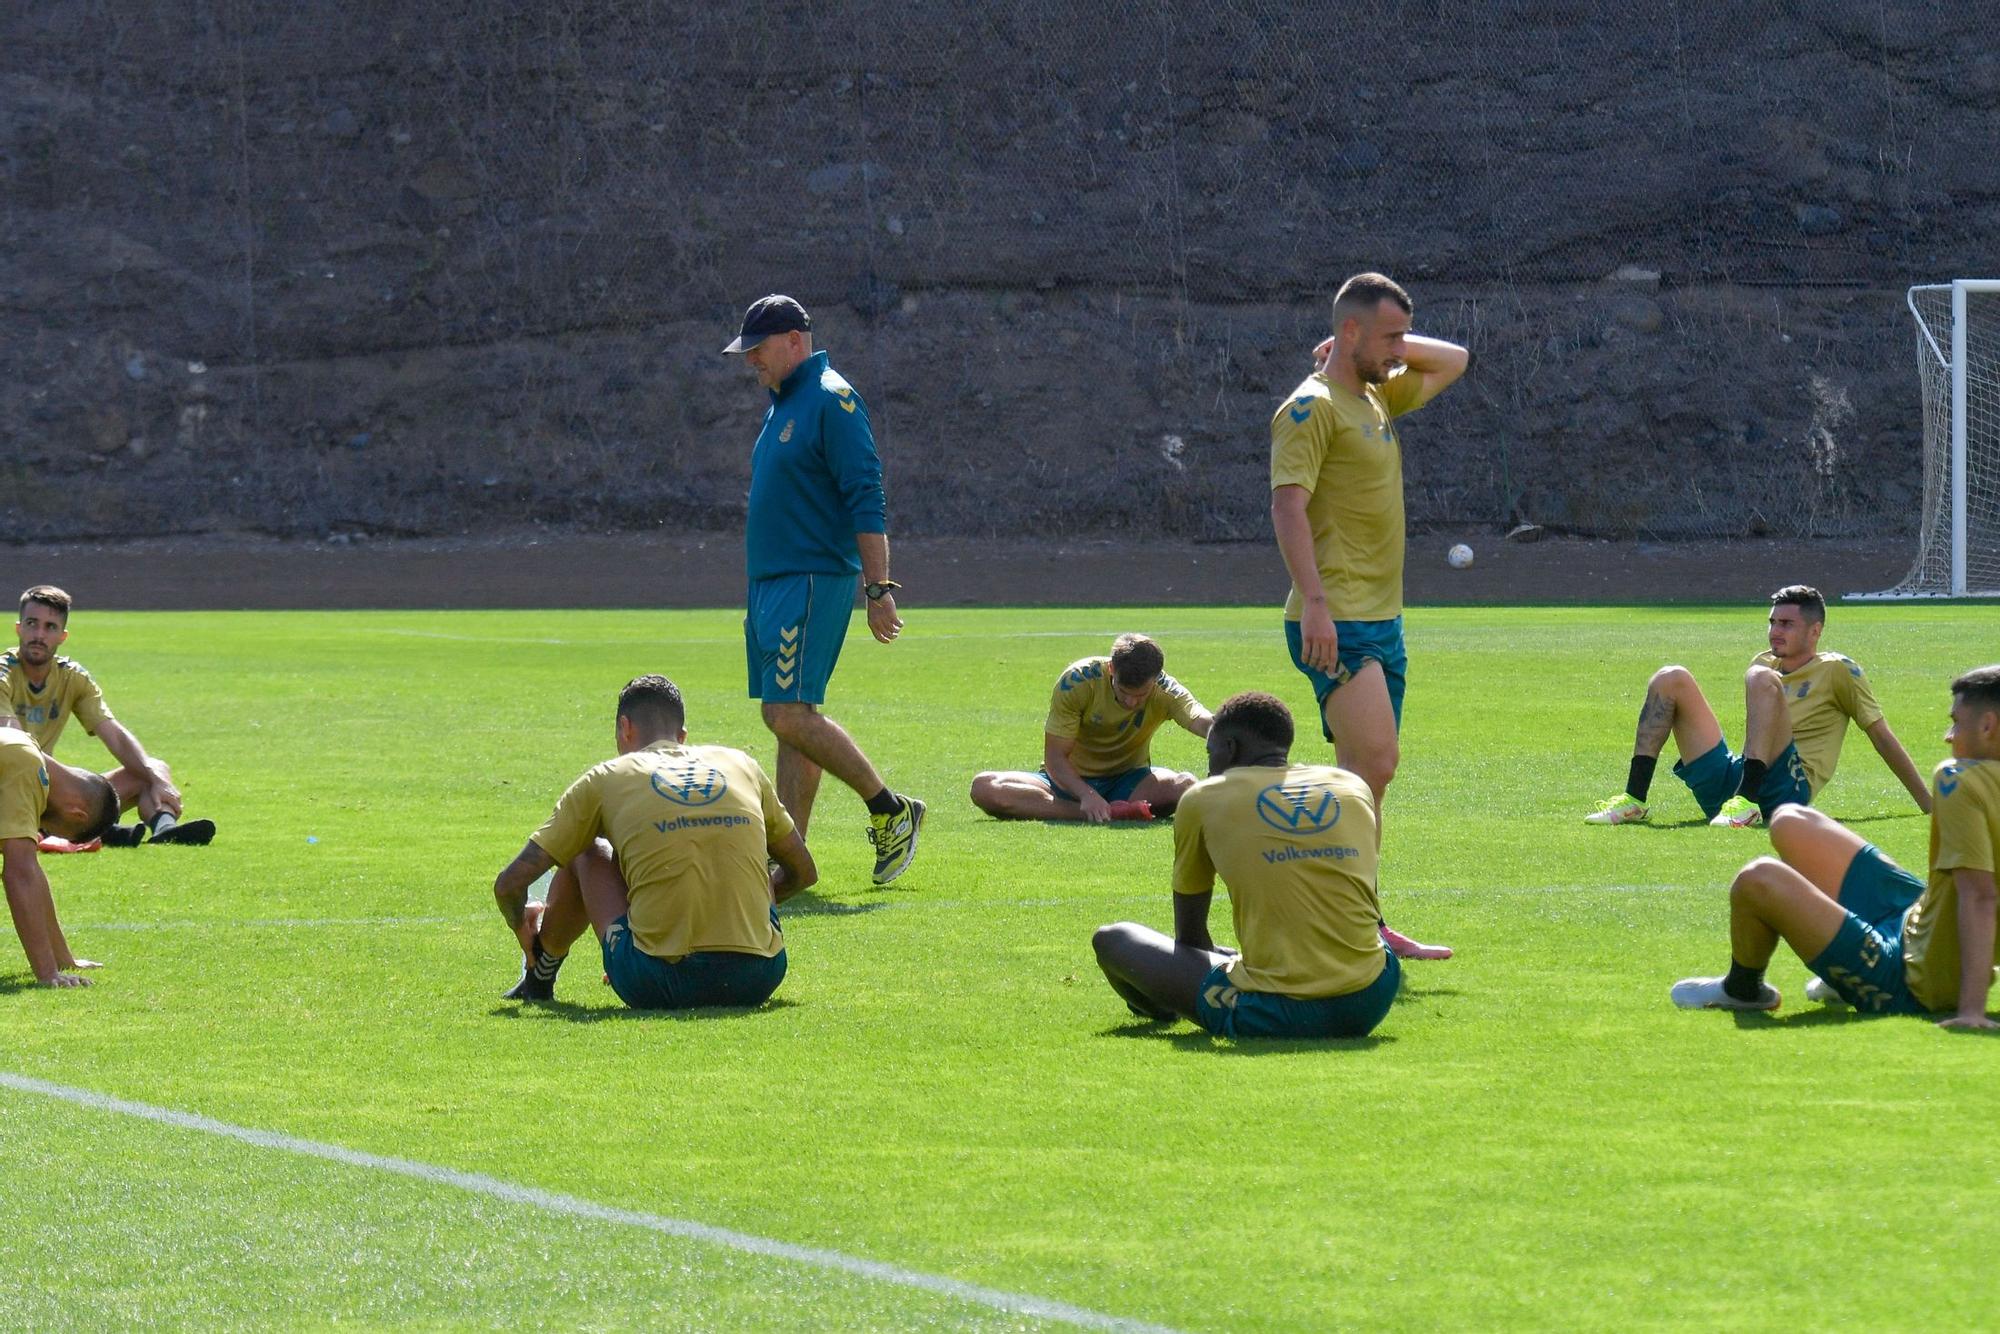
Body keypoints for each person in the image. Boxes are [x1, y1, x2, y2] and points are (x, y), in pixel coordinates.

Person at [1269, 271, 1468, 960]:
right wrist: (1317, 604)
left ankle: (1356, 922)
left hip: (1382, 618)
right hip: (1336, 616)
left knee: (1368, 776)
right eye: (1388, 337)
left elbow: (1455, 361)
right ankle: (1344, 921)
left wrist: (1382, 349)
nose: (1401, 350)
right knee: (1373, 762)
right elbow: (1287, 505)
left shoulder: (1376, 395)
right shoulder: (1311, 406)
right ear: (1350, 331)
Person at [1670, 664, 2000, 1028]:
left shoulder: (1959, 779)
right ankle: (1841, 963)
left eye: (1956, 722)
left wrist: (1971, 1010)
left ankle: (1742, 989)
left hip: (1907, 976)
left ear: (1987, 726)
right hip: (1914, 915)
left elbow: (1980, 895)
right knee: (1789, 820)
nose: (1948, 736)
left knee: (1757, 878)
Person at [723, 294, 923, 886]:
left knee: (784, 713)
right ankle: (794, 857)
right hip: (773, 583)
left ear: (793, 340)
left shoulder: (832, 398)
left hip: (811, 579)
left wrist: (879, 586)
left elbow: (867, 492)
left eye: (757, 350)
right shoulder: (783, 403)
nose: (750, 362)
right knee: (794, 714)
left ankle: (891, 810)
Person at [490, 674, 816, 1010]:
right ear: (682, 737)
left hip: (655, 978)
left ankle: (539, 976)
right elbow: (803, 872)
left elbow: (509, 885)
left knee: (586, 851)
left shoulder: (607, 777)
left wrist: (521, 929)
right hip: (759, 976)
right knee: (724, 847)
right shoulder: (740, 764)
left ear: (624, 728)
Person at [1090, 692, 1400, 1038]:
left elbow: (1191, 938)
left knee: (1112, 940)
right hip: (1374, 993)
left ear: (1231, 748)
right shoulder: (1349, 784)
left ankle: (1161, 1006)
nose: (1210, 767)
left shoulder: (1203, 798)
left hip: (1282, 1010)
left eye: (1211, 753)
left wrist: (1194, 969)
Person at [1585, 584, 1930, 829]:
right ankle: (1634, 800)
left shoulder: (1838, 670)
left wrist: (1928, 806)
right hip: (1738, 779)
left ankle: (1747, 804)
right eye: (1772, 622)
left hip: (1788, 789)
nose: (1775, 631)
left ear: (1815, 631)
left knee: (1758, 677)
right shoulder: (1766, 663)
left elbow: (1881, 735)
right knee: (1670, 677)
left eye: (1786, 624)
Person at [0, 584, 215, 847]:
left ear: (62, 636)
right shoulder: (3, 675)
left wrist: (157, 781)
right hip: (13, 791)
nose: (39, 634)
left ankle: (165, 829)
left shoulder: (72, 676)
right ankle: (90, 830)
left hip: (52, 797)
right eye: (32, 624)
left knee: (151, 768)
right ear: (19, 627)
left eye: (50, 627)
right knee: (66, 788)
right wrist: (73, 790)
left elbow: (113, 734)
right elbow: (14, 743)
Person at [969, 633, 1213, 822]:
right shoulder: (1077, 681)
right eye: (1124, 692)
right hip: (1066, 784)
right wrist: (1087, 795)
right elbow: (1054, 757)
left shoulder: (1166, 690)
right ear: (1111, 669)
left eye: (1141, 695)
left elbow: (1203, 721)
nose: (1131, 702)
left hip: (1130, 781)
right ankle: (1101, 813)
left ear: (1156, 678)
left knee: (1185, 788)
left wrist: (1231, 735)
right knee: (985, 787)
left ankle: (1100, 811)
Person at [1, 726, 118, 987]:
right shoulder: (26, 764)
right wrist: (48, 974)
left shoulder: (24, 748)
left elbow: (32, 873)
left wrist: (63, 958)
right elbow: (20, 873)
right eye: (54, 830)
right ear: (77, 814)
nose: (43, 829)